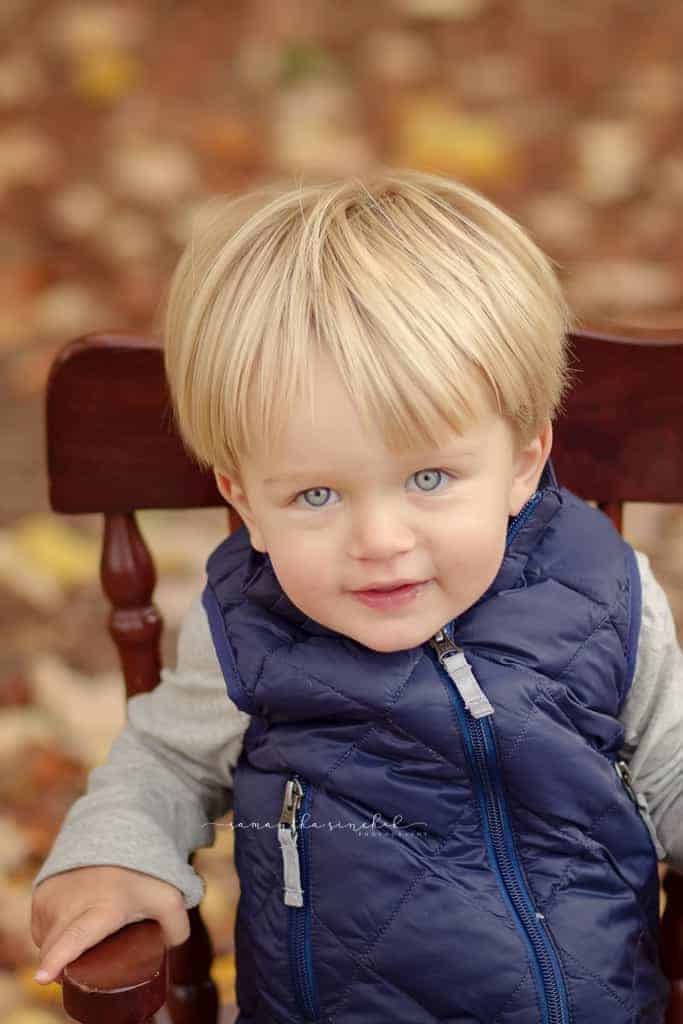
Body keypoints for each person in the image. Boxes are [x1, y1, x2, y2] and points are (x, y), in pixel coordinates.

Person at [31, 168, 682, 1023]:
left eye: (427, 477)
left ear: (523, 461)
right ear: (243, 500)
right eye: (315, 496)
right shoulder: (247, 627)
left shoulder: (601, 590)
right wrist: (113, 857)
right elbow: (164, 763)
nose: (378, 541)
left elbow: (672, 762)